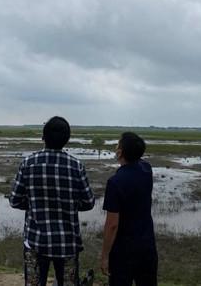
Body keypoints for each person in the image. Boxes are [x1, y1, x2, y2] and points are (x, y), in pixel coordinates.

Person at [9, 116, 96, 286]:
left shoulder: (28, 163)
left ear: (43, 137)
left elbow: (14, 200)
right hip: (67, 243)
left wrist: (34, 204)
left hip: (35, 242)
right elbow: (89, 202)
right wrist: (69, 205)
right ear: (67, 139)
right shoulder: (76, 166)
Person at [100, 132, 158, 286]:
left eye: (118, 145)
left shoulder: (115, 182)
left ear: (120, 153)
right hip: (147, 245)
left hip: (123, 250)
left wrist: (105, 255)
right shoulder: (147, 169)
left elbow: (112, 225)